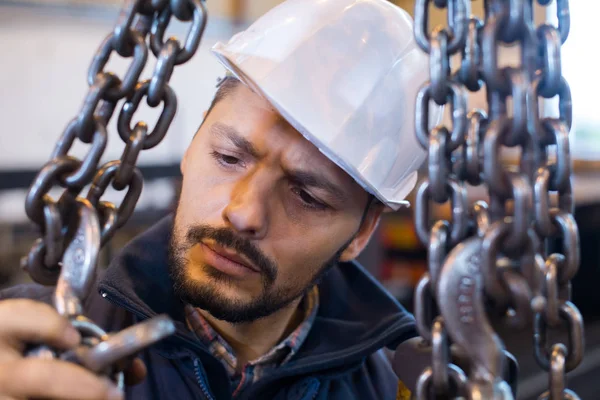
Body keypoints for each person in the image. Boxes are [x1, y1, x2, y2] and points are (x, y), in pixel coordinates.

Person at [0, 0, 440, 398]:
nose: (244, 212)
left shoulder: (396, 388)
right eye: (228, 157)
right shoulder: (26, 346)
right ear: (191, 149)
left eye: (306, 196)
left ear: (361, 233)